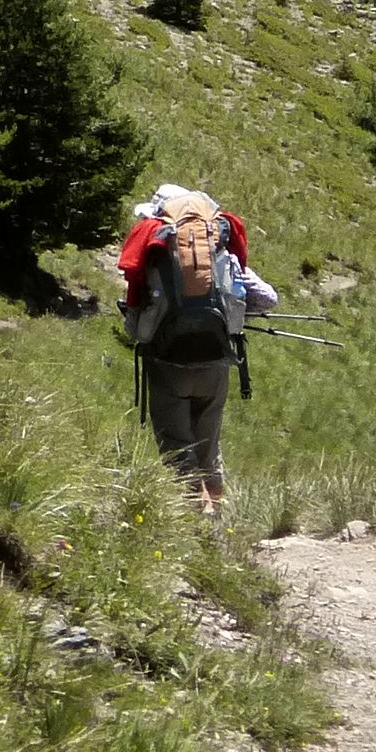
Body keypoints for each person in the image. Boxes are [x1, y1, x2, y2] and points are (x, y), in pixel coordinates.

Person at [116, 183, 278, 512]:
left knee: (177, 447)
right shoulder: (218, 247)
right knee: (209, 447)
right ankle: (217, 519)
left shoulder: (156, 250)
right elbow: (267, 299)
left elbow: (135, 329)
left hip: (168, 367)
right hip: (216, 364)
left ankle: (195, 524)